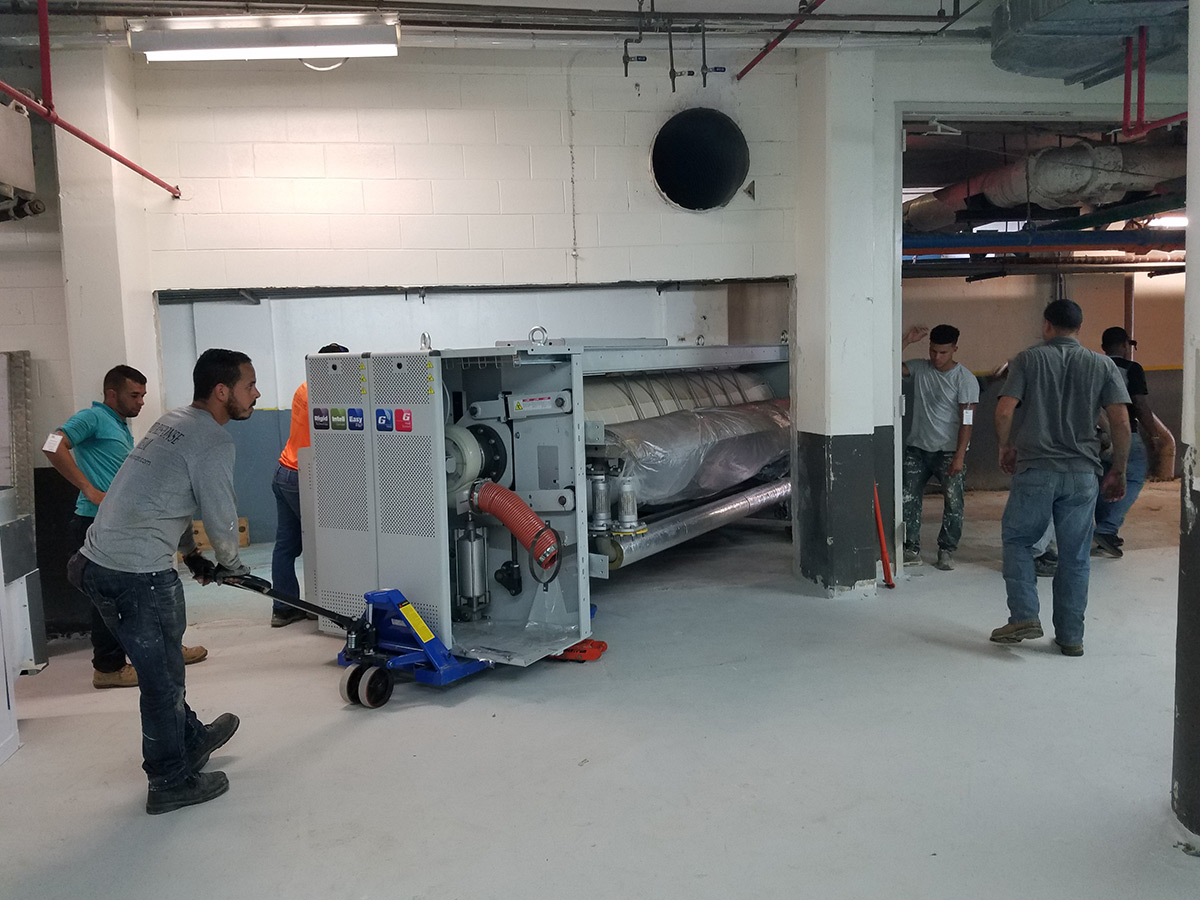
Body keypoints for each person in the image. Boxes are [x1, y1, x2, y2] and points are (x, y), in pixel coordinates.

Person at [70, 348, 260, 814]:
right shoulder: (213, 440)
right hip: (135, 574)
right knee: (162, 682)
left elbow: (165, 498)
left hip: (93, 562)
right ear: (222, 391)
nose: (256, 394)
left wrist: (191, 555)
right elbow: (219, 512)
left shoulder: (172, 421)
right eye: (249, 385)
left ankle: (190, 738)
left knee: (162, 671)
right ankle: (169, 780)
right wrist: (231, 565)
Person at [44, 365, 207, 688]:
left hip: (119, 522)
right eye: (134, 395)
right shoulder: (92, 418)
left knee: (142, 592)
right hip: (94, 521)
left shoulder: (118, 425)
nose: (141, 402)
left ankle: (165, 649)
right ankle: (108, 667)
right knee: (107, 601)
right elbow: (51, 444)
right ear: (111, 393)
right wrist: (89, 489)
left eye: (143, 395)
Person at [991, 299, 1130, 657]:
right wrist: (1119, 469)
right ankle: (1071, 637)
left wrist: (1005, 447)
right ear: (1079, 328)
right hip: (1082, 474)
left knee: (1019, 540)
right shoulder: (1102, 364)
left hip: (1036, 469)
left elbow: (1004, 410)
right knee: (1076, 556)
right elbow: (1120, 421)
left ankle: (1024, 616)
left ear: (1046, 325)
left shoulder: (1027, 360)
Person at [270, 342, 349, 627]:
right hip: (304, 477)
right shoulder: (329, 395)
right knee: (324, 543)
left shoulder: (303, 388)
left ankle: (283, 608)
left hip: (284, 472)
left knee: (286, 545)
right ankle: (323, 607)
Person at [900, 324, 980, 570]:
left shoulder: (965, 379)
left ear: (955, 349)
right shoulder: (919, 368)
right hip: (917, 449)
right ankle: (910, 548)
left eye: (943, 352)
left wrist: (959, 456)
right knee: (908, 499)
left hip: (949, 452)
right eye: (933, 351)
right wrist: (906, 340)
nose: (937, 357)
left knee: (954, 503)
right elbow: (885, 365)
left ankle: (947, 549)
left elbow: (967, 421)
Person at [1092, 326, 1156, 559]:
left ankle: (1104, 531)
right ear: (1124, 345)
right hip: (1124, 432)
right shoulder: (1131, 369)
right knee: (1134, 475)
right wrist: (1154, 434)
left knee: (1102, 479)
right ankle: (1107, 528)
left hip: (1095, 435)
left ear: (1103, 347)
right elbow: (1139, 404)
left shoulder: (1093, 367)